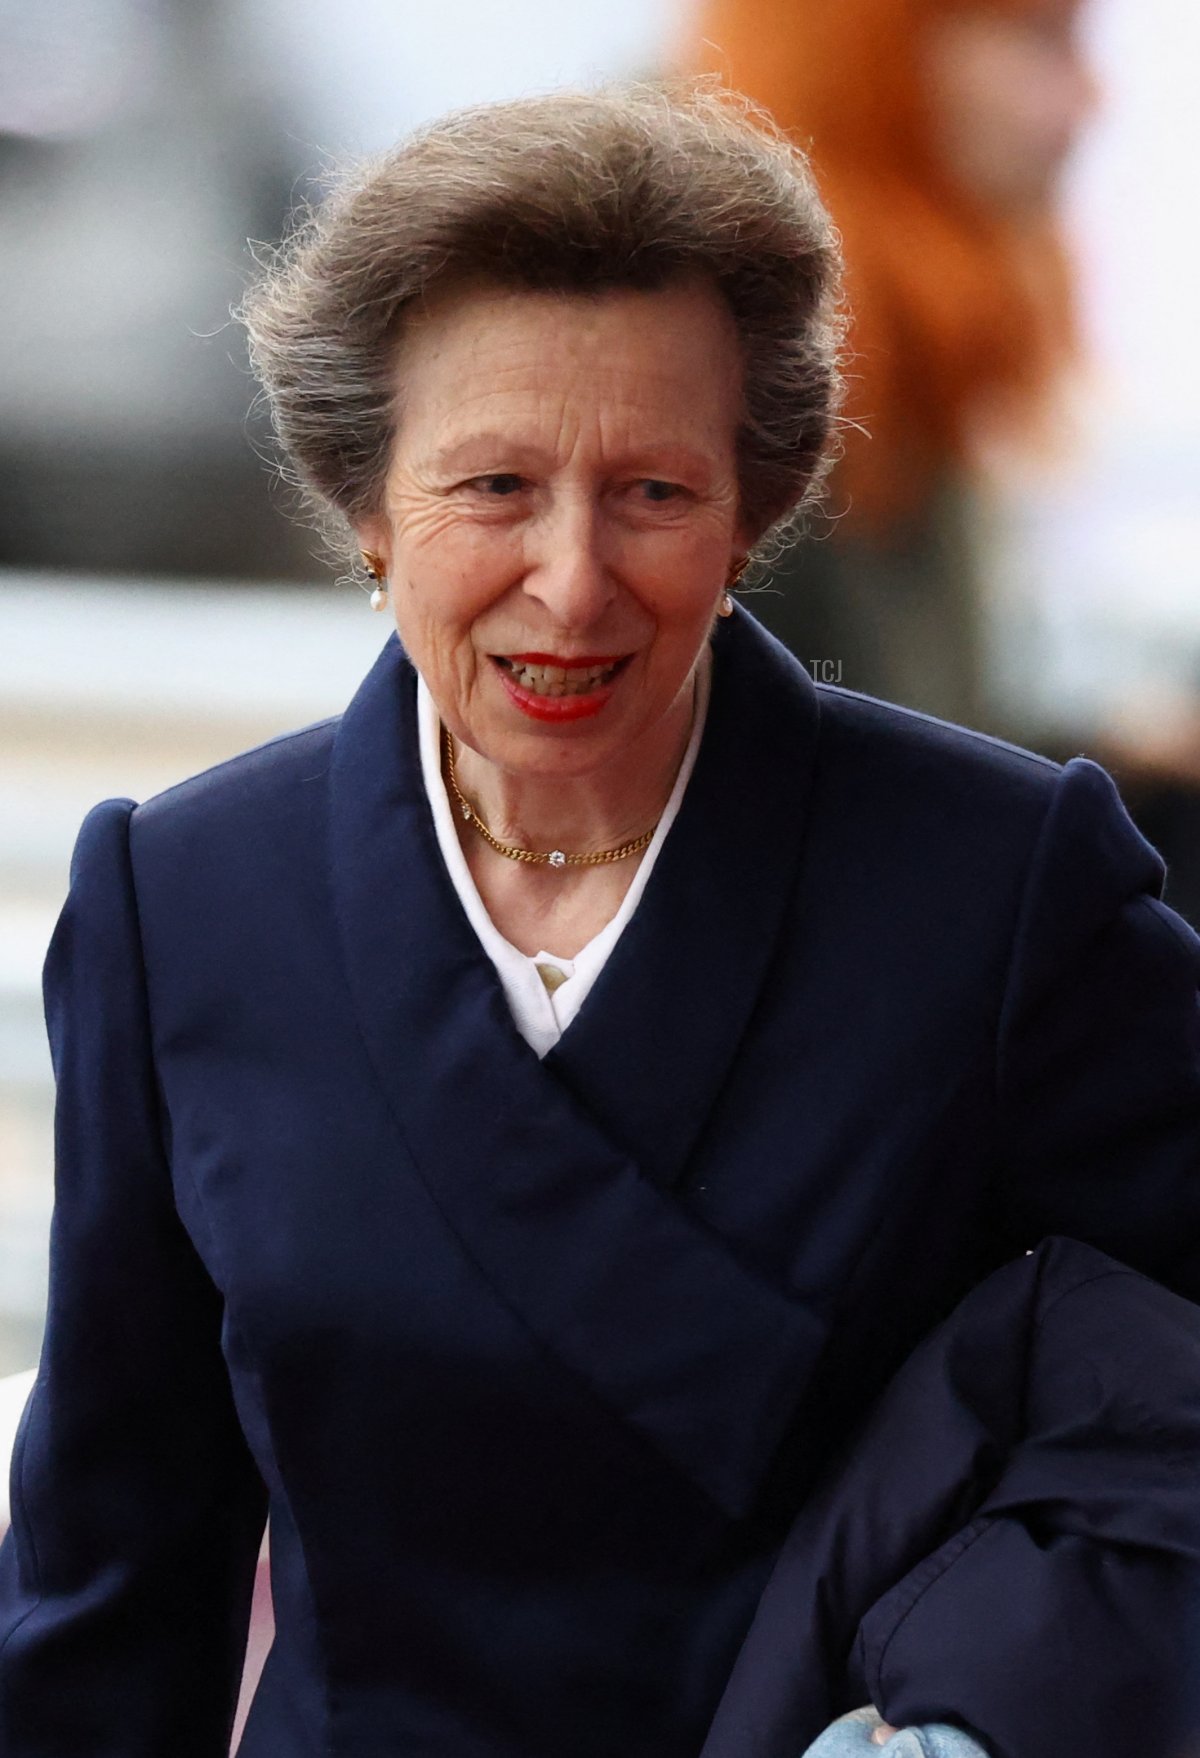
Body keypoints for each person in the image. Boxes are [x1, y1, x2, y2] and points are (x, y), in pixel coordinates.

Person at [0, 85, 1198, 1758]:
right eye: (493, 484)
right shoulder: (183, 899)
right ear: (365, 506)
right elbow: (114, 1557)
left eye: (651, 490)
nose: (572, 580)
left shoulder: (993, 883)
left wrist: (992, 1686)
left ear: (755, 509)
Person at [681, 0, 1095, 733]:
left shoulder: (906, 354)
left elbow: (919, 742)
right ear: (860, 61)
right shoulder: (719, 370)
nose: (1090, 97)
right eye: (1039, 40)